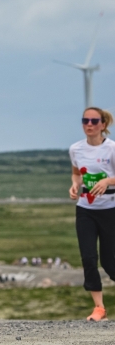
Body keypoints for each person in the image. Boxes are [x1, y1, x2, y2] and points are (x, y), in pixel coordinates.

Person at [68, 107, 115, 321]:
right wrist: (74, 186)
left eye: (94, 121)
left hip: (110, 209)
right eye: (85, 120)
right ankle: (99, 308)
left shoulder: (112, 149)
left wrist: (107, 181)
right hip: (86, 209)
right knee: (88, 257)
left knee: (109, 262)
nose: (89, 124)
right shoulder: (75, 149)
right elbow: (77, 172)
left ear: (103, 125)